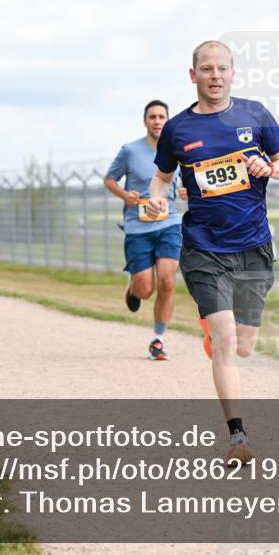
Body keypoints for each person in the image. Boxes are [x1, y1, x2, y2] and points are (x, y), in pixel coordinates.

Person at [145, 40, 279, 464]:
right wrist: (157, 199)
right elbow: (161, 179)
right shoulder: (177, 129)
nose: (215, 76)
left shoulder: (256, 114)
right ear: (192, 75)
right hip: (203, 249)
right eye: (206, 69)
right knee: (228, 342)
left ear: (233, 73)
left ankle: (217, 331)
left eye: (222, 68)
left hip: (254, 248)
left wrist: (269, 167)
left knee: (244, 346)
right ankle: (238, 438)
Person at [104, 100, 187, 361]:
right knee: (145, 289)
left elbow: (188, 183)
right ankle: (133, 290)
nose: (158, 121)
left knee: (167, 279)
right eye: (153, 117)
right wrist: (124, 195)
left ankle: (158, 340)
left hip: (169, 222)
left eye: (162, 116)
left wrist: (187, 191)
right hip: (138, 226)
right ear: (145, 121)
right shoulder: (130, 151)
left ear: (168, 121)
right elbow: (110, 179)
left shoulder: (178, 150)